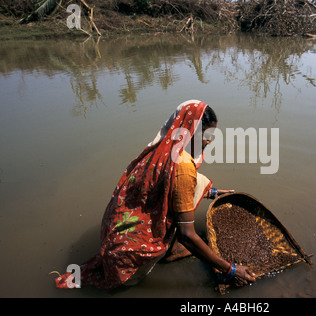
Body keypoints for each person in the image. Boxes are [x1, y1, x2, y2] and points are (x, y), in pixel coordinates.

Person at [55, 100, 256, 290]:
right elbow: (187, 236)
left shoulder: (159, 150)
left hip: (115, 245)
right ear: (191, 132)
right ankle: (166, 253)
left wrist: (210, 191)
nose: (209, 141)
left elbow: (164, 185)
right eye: (206, 135)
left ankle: (167, 246)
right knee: (194, 235)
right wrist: (231, 270)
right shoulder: (183, 168)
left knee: (195, 184)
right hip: (129, 269)